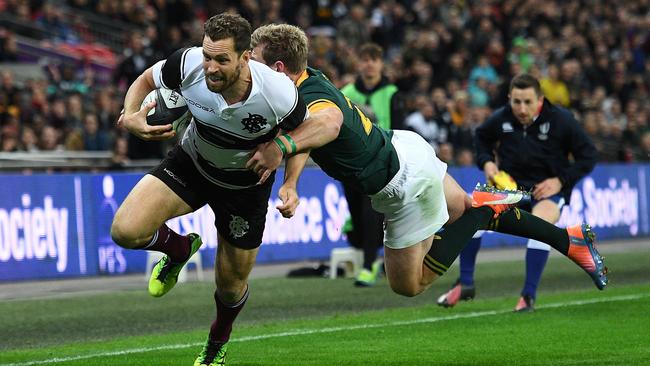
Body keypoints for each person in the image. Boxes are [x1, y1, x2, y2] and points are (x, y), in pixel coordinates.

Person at [247, 24, 607, 305]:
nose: (248, 64)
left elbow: (327, 123)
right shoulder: (304, 82)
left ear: (279, 68)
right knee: (462, 206)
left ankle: (482, 215)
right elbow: (303, 130)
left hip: (401, 184)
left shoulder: (315, 99)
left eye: (255, 59)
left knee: (409, 284)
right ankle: (568, 239)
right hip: (406, 147)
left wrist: (280, 145)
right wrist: (291, 183)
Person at [110, 14, 309, 366]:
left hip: (245, 188)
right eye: (207, 56)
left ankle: (218, 341)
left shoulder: (278, 94)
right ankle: (179, 248)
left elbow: (303, 136)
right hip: (192, 164)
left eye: (221, 60)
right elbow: (145, 80)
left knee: (230, 287)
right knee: (125, 231)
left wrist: (290, 181)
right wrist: (132, 114)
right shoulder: (187, 64)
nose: (210, 68)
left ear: (245, 57)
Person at [437, 74, 598, 312]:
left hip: (547, 192)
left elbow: (589, 156)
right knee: (473, 214)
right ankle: (466, 282)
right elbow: (481, 138)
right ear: (509, 99)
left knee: (541, 224)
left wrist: (560, 180)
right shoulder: (501, 118)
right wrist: (487, 163)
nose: (522, 109)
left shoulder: (562, 120)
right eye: (516, 102)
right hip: (511, 191)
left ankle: (528, 296)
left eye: (528, 102)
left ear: (540, 100)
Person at [339, 42, 404, 286]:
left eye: (373, 59)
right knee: (358, 221)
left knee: (371, 212)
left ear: (380, 64)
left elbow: (400, 128)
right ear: (359, 64)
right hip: (351, 163)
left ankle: (368, 266)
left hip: (381, 161)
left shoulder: (392, 93)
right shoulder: (346, 93)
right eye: (365, 59)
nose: (369, 64)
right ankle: (383, 259)